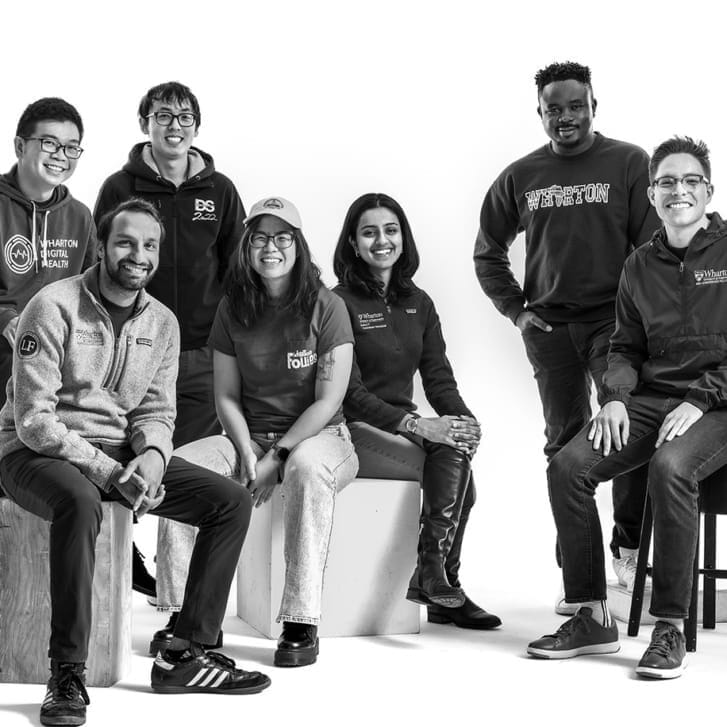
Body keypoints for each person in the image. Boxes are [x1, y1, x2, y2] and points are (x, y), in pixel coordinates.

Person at [0, 198, 270, 726]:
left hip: (120, 452)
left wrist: (149, 456)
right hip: (33, 452)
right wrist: (108, 474)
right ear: (100, 247)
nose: (137, 255)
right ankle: (67, 673)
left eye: (149, 246)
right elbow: (34, 419)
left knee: (230, 501)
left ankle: (185, 652)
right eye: (125, 242)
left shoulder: (162, 323)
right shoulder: (52, 305)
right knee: (79, 501)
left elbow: (156, 409)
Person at [527, 136, 727, 680]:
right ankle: (590, 614)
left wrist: (698, 397)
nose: (677, 190)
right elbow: (624, 348)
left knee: (670, 465)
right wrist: (614, 398)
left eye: (689, 181)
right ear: (653, 192)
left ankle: (669, 628)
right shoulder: (639, 265)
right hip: (651, 400)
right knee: (569, 466)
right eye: (666, 181)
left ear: (708, 190)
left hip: (719, 404)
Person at [473, 61, 660, 609]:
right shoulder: (520, 175)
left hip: (614, 325)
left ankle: (627, 554)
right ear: (540, 113)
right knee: (563, 446)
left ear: (594, 106)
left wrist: (643, 320)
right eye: (554, 108)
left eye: (575, 105)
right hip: (550, 329)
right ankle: (578, 575)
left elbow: (651, 253)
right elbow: (487, 252)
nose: (565, 117)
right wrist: (516, 309)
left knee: (622, 434)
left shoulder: (628, 162)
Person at [161, 196, 358, 668]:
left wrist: (278, 457)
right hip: (246, 435)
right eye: (261, 237)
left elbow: (327, 400)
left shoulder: (327, 307)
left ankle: (300, 621)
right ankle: (185, 620)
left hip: (321, 438)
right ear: (248, 246)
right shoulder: (234, 308)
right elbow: (225, 395)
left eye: (282, 236)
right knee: (176, 469)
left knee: (308, 471)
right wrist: (248, 449)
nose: (271, 246)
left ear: (299, 244)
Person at [94, 80, 247, 609]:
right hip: (134, 343)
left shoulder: (220, 190)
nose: (174, 125)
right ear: (145, 125)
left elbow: (237, 265)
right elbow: (102, 263)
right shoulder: (119, 186)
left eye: (184, 117)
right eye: (163, 115)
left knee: (189, 463)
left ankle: (176, 592)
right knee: (125, 449)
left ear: (196, 127)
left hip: (203, 348)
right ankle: (123, 561)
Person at [333, 193, 500, 629]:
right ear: (353, 242)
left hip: (403, 425)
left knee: (461, 466)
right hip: (355, 427)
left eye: (391, 230)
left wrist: (463, 422)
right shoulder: (337, 302)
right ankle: (438, 583)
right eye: (369, 232)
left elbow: (439, 378)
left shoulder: (418, 302)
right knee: (454, 467)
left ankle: (440, 584)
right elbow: (347, 393)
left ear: (403, 238)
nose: (381, 240)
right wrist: (417, 424)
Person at [0, 97, 96, 409]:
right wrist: (4, 319)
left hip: (56, 360)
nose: (61, 155)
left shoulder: (80, 217)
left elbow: (90, 291)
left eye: (71, 147)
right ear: (20, 146)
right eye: (49, 143)